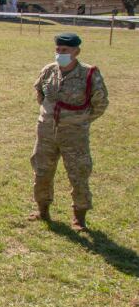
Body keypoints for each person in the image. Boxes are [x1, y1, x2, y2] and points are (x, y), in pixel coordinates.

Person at [30, 32, 108, 230]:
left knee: (78, 172)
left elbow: (100, 103)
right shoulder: (49, 71)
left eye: (65, 50)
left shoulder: (89, 73)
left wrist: (79, 121)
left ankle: (79, 217)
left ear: (77, 51)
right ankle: (43, 210)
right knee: (42, 171)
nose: (60, 53)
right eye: (57, 50)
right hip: (46, 131)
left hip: (74, 133)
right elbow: (39, 92)